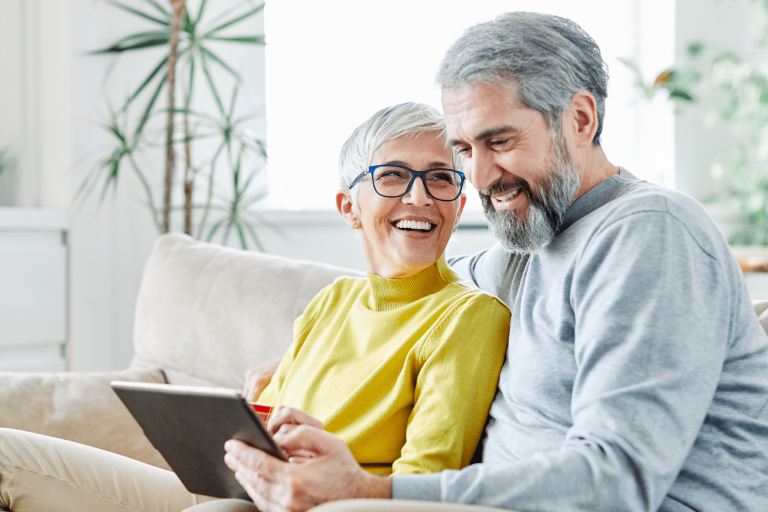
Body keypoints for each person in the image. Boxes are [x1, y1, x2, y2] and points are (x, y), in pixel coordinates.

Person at [213, 12, 768, 512]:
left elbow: (614, 484)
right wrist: (292, 363)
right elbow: (404, 292)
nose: (477, 179)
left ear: (579, 119)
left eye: (499, 141)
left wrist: (366, 491)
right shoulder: (526, 246)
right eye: (463, 150)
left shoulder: (648, 233)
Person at [0, 103, 510, 511]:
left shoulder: (470, 316)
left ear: (459, 204)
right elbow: (277, 430)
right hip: (239, 490)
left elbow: (426, 483)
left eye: (441, 178)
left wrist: (333, 479)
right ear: (349, 208)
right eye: (394, 176)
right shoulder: (333, 300)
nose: (420, 197)